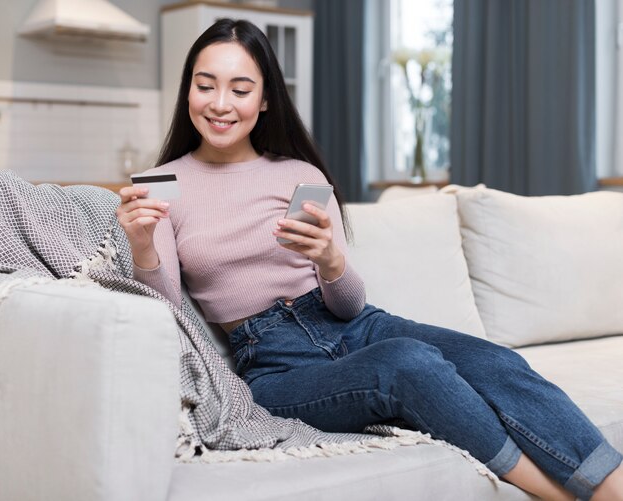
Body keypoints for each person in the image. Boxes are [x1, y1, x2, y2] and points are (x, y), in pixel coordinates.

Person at [117, 18, 623, 501]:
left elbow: (348, 307)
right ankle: (554, 491)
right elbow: (171, 316)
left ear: (266, 98)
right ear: (188, 90)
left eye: (240, 89)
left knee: (494, 359)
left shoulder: (296, 173)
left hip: (355, 326)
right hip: (273, 361)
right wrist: (142, 248)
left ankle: (612, 485)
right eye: (206, 86)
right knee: (408, 365)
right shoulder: (162, 183)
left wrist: (331, 261)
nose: (220, 104)